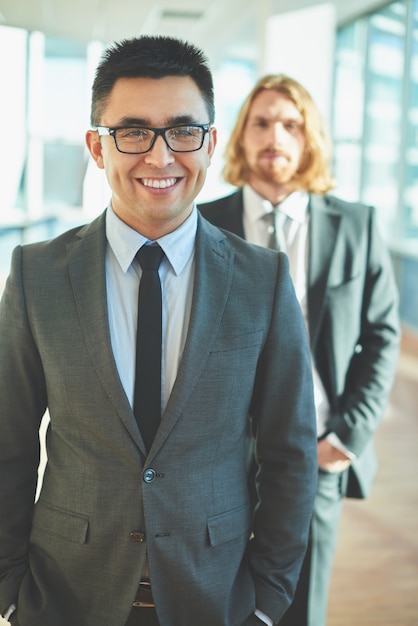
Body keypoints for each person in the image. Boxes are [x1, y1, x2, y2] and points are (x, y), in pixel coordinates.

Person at [0, 39, 318, 626]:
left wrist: (269, 601)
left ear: (212, 143)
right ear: (98, 146)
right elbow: (7, 444)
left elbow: (290, 453)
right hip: (64, 596)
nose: (160, 155)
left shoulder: (263, 280)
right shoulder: (35, 274)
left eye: (182, 130)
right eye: (134, 132)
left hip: (215, 597)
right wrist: (8, 591)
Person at [199, 74, 400, 626]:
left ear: (310, 139)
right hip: (215, 458)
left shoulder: (357, 226)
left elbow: (381, 336)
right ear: (240, 137)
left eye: (291, 125)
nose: (275, 136)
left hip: (318, 451)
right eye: (261, 123)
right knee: (215, 600)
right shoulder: (202, 225)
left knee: (300, 607)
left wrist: (346, 435)